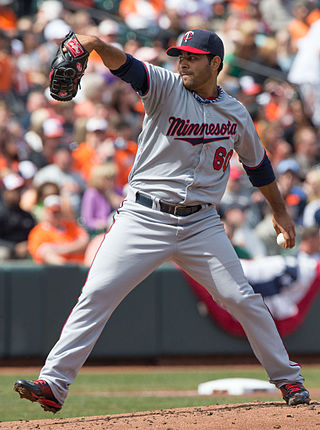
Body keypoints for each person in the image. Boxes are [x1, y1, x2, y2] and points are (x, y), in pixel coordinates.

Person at [14, 29, 310, 412]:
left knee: (242, 298)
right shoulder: (166, 87)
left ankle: (289, 381)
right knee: (97, 293)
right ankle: (54, 383)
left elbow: (258, 166)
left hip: (201, 224)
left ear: (215, 63)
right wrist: (96, 44)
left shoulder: (235, 112)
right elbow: (128, 67)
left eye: (192, 56)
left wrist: (281, 212)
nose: (182, 61)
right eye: (179, 55)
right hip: (143, 216)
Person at [27, 195, 89, 265]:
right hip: (55, 272)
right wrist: (73, 248)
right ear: (46, 211)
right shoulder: (38, 232)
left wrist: (58, 249)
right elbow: (43, 253)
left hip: (80, 267)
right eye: (53, 212)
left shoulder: (71, 225)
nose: (56, 215)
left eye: (58, 211)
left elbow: (84, 242)